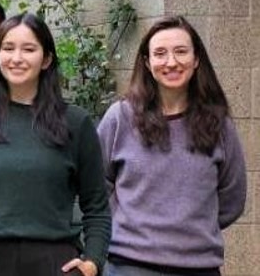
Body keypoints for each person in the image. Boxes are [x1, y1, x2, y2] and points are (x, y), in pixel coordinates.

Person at [0, 13, 109, 276]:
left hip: (56, 262)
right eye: (8, 48)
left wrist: (92, 263)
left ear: (46, 59)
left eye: (29, 49)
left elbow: (96, 205)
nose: (17, 58)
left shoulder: (75, 122)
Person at [98, 16, 247, 276]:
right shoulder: (120, 118)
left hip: (198, 268)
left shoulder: (219, 125)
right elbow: (95, 186)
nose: (171, 62)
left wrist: (191, 230)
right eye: (160, 53)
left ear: (196, 59)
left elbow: (232, 199)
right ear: (147, 62)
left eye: (181, 51)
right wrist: (130, 228)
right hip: (129, 266)